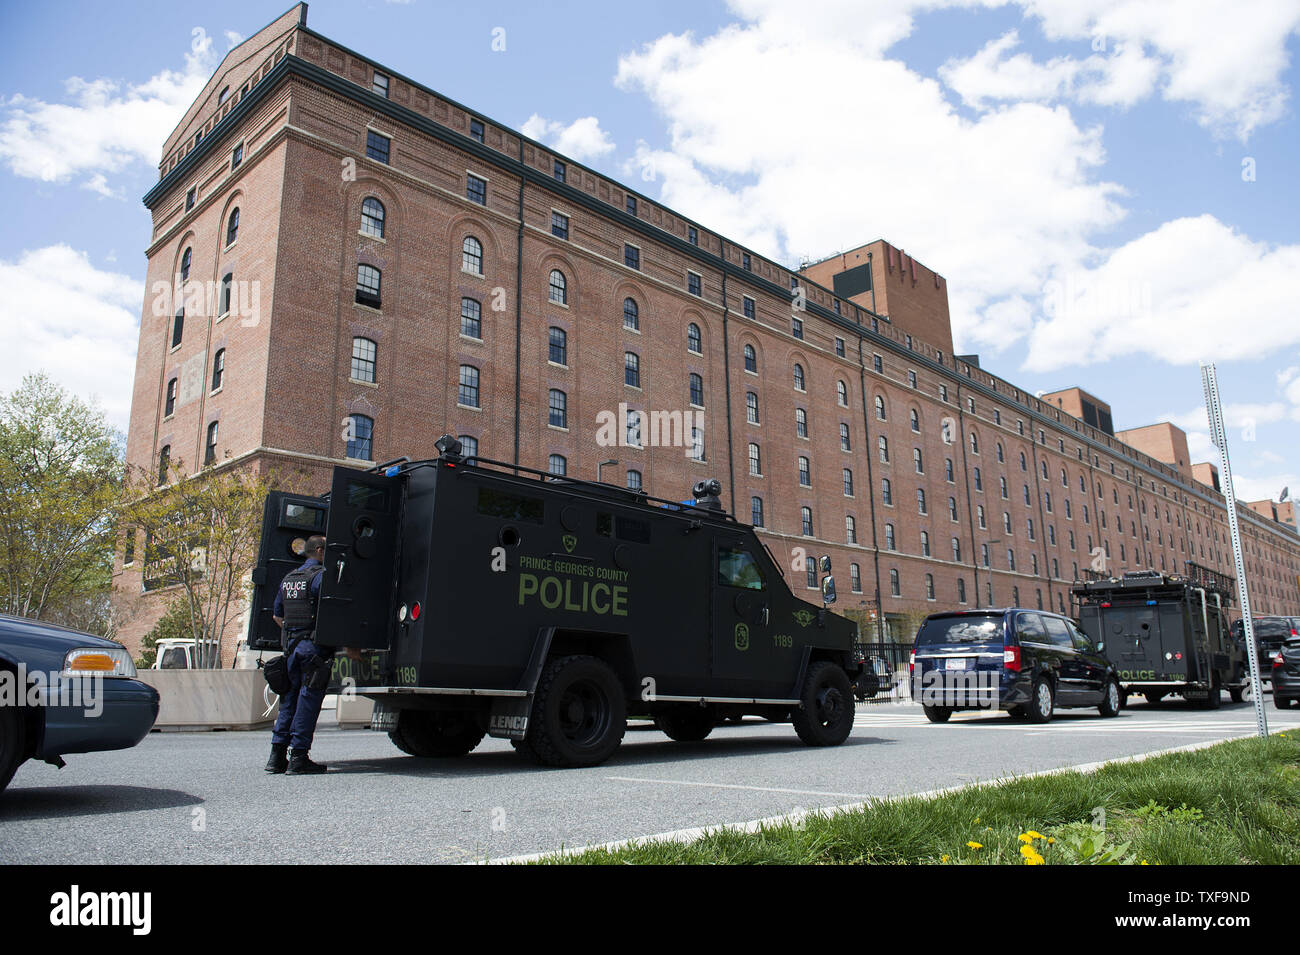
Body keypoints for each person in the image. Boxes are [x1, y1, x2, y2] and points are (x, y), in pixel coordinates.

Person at [267, 535, 332, 774]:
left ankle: (276, 756)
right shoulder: (319, 577)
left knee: (289, 701)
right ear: (319, 550)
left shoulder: (289, 579)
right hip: (312, 648)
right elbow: (334, 608)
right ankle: (299, 757)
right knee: (308, 701)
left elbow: (277, 615)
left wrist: (293, 631)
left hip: (291, 647)